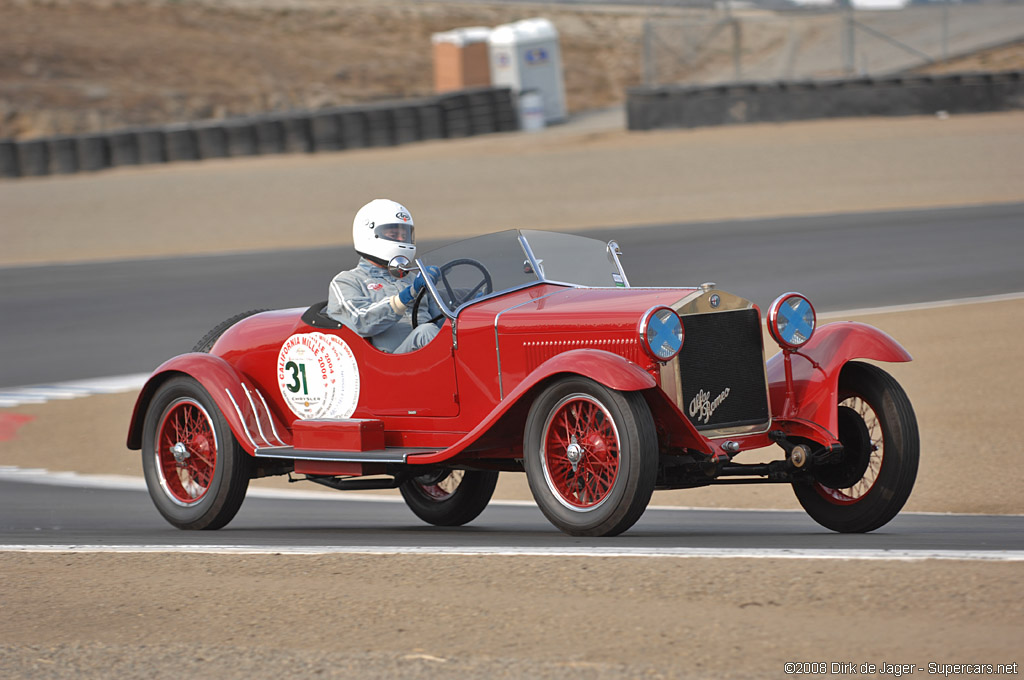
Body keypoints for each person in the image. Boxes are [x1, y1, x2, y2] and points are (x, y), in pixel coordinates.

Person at [326, 199, 440, 354]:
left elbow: (442, 323)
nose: (401, 240)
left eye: (404, 235)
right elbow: (360, 322)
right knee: (426, 332)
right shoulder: (347, 281)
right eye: (394, 234)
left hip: (426, 357)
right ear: (369, 235)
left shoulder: (413, 279)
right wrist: (404, 298)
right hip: (391, 366)